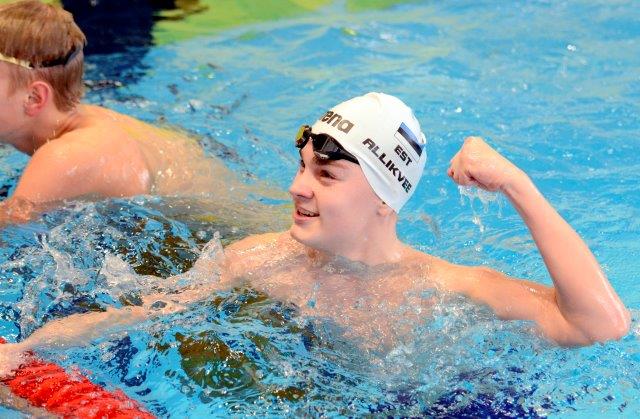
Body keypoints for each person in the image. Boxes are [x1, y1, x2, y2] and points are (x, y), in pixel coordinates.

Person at [0, 92, 630, 375]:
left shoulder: (451, 289)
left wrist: (517, 184)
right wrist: (26, 348)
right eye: (302, 168)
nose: (298, 187)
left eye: (326, 175)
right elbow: (145, 312)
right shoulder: (258, 260)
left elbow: (601, 325)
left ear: (385, 197)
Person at [0, 0, 265, 225]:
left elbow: (9, 230)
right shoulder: (84, 118)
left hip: (221, 233)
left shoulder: (65, 156)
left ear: (35, 98)